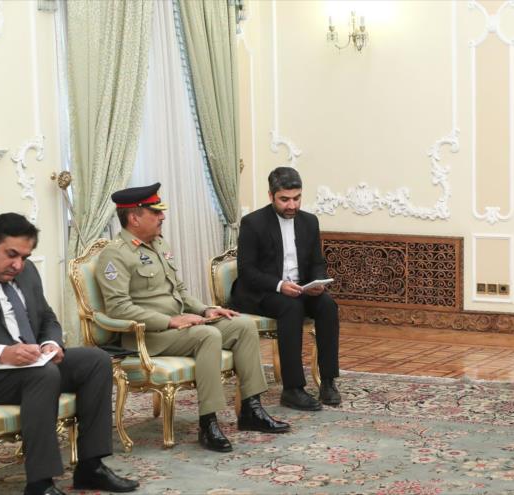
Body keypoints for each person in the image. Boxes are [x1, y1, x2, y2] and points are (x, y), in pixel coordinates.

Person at [0, 213, 139, 495]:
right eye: (12, 255)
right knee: (42, 374)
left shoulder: (26, 271)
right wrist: (3, 353)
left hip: (29, 364)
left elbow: (47, 317)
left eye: (25, 256)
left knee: (96, 360)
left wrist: (51, 343)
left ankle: (91, 467)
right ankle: (40, 484)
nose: (18, 264)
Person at [96, 183, 290, 453]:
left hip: (179, 324)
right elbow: (118, 308)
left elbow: (181, 291)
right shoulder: (115, 254)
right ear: (134, 217)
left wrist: (205, 310)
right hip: (147, 335)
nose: (162, 216)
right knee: (207, 335)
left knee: (243, 325)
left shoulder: (159, 243)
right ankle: (208, 423)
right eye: (155, 212)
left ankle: (251, 410)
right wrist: (170, 321)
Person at [231, 167, 341, 411]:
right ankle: (292, 389)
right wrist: (280, 285)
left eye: (297, 198)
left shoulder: (309, 221)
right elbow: (247, 271)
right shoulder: (253, 223)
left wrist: (317, 283)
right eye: (285, 199)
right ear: (271, 196)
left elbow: (316, 263)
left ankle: (328, 381)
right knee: (290, 307)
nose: (292, 205)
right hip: (262, 292)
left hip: (299, 289)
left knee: (327, 305)